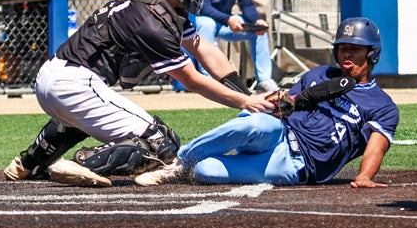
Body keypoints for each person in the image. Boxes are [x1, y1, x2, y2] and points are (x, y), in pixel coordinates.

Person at [3, 0, 276, 187]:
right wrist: (244, 103)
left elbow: (206, 50)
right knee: (162, 143)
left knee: (78, 117)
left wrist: (247, 95)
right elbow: (191, 78)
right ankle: (80, 163)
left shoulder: (158, 6)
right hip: (75, 83)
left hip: (53, 79)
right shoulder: (151, 20)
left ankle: (28, 164)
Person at [133, 17, 399, 187]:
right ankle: (176, 164)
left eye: (355, 48)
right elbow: (277, 108)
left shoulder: (382, 106)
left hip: (297, 164)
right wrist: (299, 98)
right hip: (279, 132)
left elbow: (376, 146)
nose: (347, 53)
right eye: (343, 48)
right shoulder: (321, 75)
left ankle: (193, 163)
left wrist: (364, 177)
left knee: (206, 171)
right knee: (253, 122)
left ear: (372, 54)